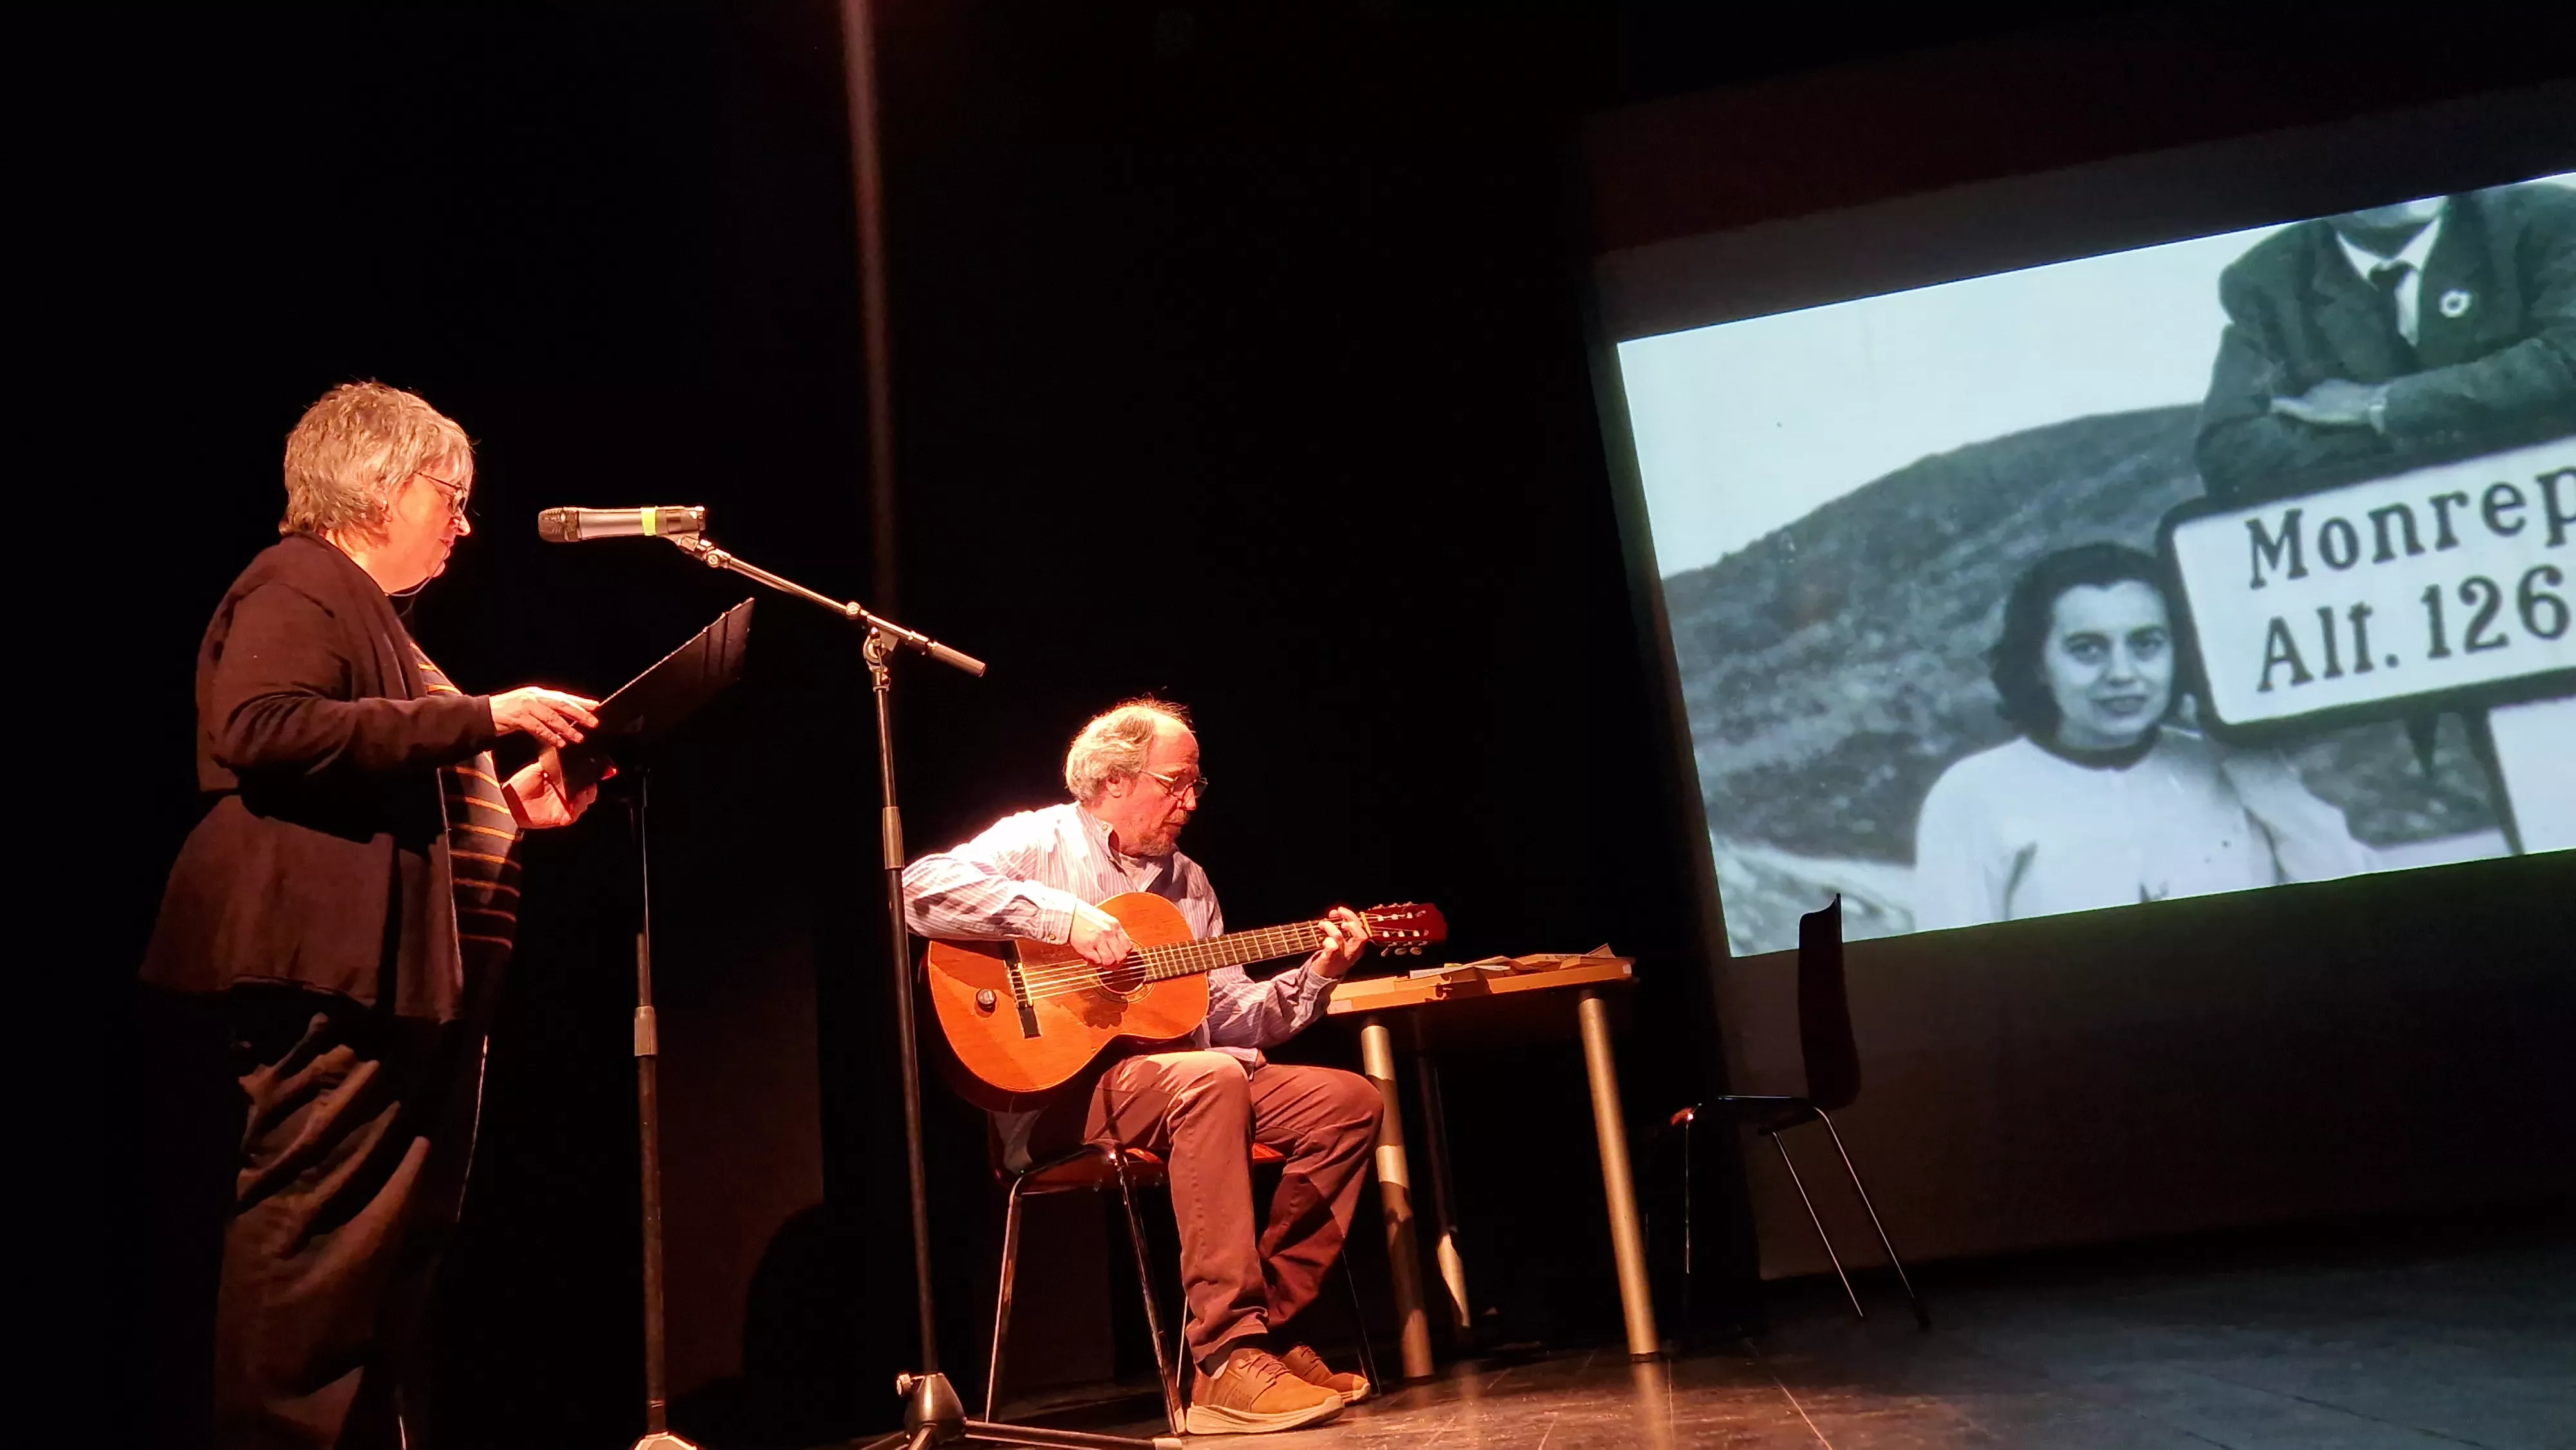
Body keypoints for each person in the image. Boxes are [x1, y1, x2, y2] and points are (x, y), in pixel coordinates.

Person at [142, 382, 604, 1449]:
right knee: (316, 1250)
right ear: (384, 486)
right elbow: (264, 726)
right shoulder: (298, 579)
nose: (464, 523)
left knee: (382, 1267)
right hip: (334, 977)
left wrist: (510, 807)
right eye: (454, 496)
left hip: (407, 987)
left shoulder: (376, 622)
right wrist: (481, 716)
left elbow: (387, 769)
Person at [904, 700, 1380, 1436]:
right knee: (1211, 1077)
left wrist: (1318, 969)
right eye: (1174, 782)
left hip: (1177, 1084)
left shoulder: (1189, 883)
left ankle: (1269, 1338)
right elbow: (921, 889)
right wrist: (1065, 920)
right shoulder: (1039, 839)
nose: (1190, 800)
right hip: (1056, 1090)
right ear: (1114, 779)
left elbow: (1226, 1017)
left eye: (1196, 783)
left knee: (1345, 1101)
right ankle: (1224, 1356)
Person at [1912, 544, 2371, 931]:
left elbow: (2351, 905)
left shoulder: (2233, 769)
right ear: (2038, 665)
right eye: (2087, 650)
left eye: (2147, 644)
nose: (2122, 674)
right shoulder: (1974, 794)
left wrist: (2254, 769)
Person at [2195, 182, 2576, 504]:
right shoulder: (2267, 279)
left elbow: (2568, 360)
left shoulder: (2546, 219)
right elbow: (2231, 454)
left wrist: (2381, 407)